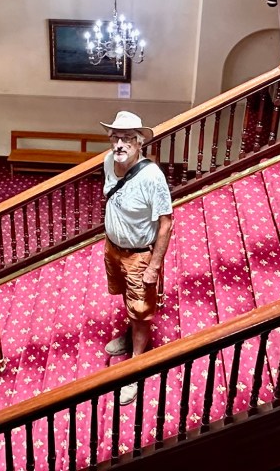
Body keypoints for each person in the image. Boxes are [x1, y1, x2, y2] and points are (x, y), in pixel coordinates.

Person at [100, 111, 173, 405]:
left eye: (127, 138)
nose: (120, 144)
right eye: (115, 137)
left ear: (139, 143)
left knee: (141, 310)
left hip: (139, 255)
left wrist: (154, 267)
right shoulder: (109, 161)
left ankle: (136, 365)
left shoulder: (152, 177)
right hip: (113, 248)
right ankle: (130, 335)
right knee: (127, 296)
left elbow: (166, 223)